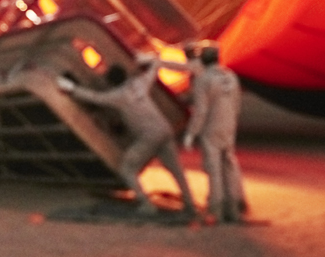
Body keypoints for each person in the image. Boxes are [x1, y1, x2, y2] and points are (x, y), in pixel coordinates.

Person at [56, 56, 196, 216]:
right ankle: (190, 205)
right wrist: (146, 60)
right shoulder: (140, 84)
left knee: (127, 168)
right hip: (165, 130)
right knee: (176, 170)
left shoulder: (117, 96)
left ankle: (146, 204)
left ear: (111, 82)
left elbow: (94, 97)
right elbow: (155, 68)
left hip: (148, 136)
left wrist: (72, 88)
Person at [180, 45, 248, 223]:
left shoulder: (204, 80)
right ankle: (233, 209)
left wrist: (191, 133)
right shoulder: (230, 76)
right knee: (230, 165)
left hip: (211, 128)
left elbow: (201, 110)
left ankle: (216, 210)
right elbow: (237, 104)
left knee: (214, 169)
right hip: (229, 126)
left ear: (203, 60)